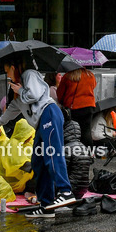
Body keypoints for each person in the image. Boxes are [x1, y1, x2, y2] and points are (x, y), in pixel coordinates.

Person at [16, 69, 75, 218]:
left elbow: (34, 95)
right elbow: (13, 108)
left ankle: (65, 191)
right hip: (41, 121)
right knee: (38, 161)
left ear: (13, 67)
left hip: (49, 113)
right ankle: (46, 205)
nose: (7, 74)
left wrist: (20, 90)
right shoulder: (21, 84)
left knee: (52, 153)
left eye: (7, 70)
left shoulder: (28, 73)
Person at [57, 65, 98, 144]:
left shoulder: (68, 76)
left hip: (74, 108)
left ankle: (75, 148)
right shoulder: (90, 75)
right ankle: (89, 149)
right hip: (89, 106)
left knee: (73, 131)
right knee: (86, 131)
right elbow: (93, 86)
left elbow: (60, 94)